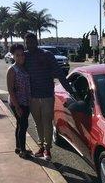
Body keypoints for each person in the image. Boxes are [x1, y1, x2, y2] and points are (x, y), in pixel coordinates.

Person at [24, 33, 73, 161]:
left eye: (31, 42)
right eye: (27, 42)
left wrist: (70, 90)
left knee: (47, 123)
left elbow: (59, 74)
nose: (29, 45)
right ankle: (41, 147)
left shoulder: (47, 55)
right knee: (37, 123)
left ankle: (47, 149)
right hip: (32, 97)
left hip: (47, 96)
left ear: (36, 41)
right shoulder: (25, 56)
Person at [6, 43, 31, 159]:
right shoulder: (12, 70)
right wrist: (17, 107)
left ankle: (18, 147)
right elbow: (10, 90)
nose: (21, 57)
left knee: (20, 125)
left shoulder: (23, 67)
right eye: (17, 55)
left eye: (22, 55)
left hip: (25, 102)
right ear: (13, 56)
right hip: (17, 102)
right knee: (23, 125)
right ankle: (23, 151)